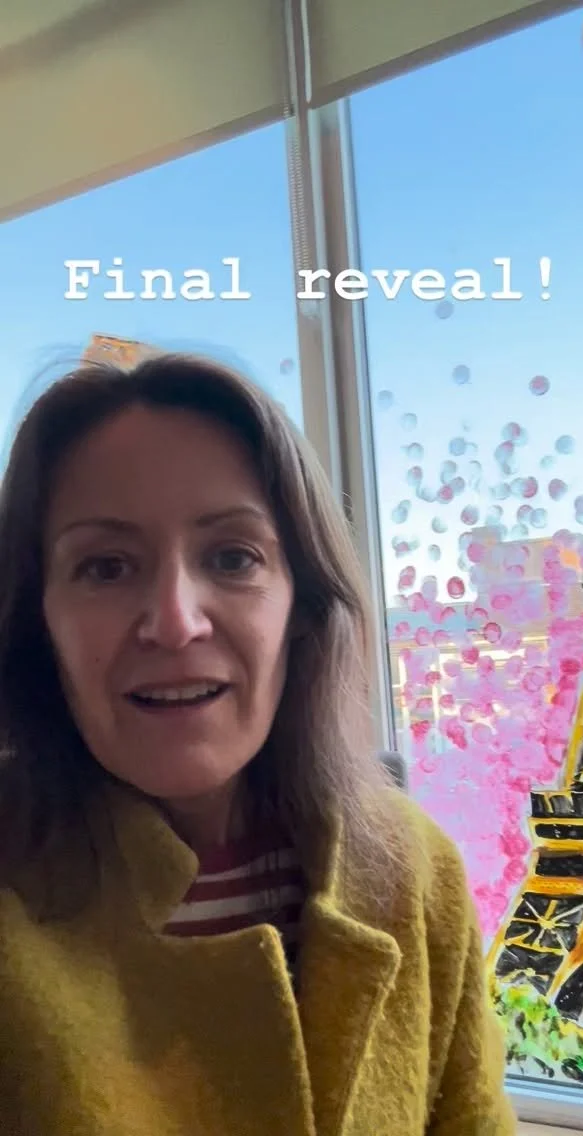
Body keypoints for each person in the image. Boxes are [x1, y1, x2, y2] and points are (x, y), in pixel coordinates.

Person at [0, 351, 516, 1135]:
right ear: (41, 620)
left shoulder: (415, 871)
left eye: (233, 557)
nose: (175, 622)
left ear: (302, 604)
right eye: (105, 567)